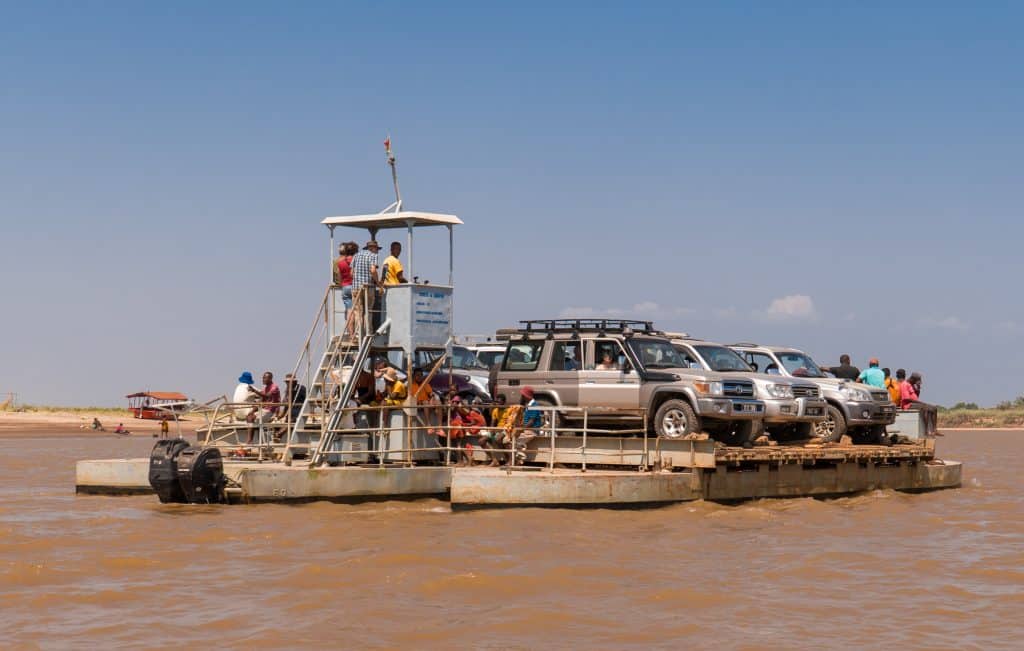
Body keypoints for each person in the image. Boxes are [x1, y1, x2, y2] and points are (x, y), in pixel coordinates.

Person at [351, 240, 381, 329]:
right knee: (368, 310)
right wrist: (378, 282)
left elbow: (351, 273)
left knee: (358, 311)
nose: (378, 251)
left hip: (356, 287)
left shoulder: (356, 255)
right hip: (368, 287)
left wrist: (358, 278)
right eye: (377, 249)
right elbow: (373, 270)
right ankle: (368, 332)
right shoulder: (373, 255)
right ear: (373, 248)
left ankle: (358, 334)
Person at [900, 372, 940, 437]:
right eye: (916, 381)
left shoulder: (911, 385)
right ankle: (926, 431)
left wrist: (918, 388)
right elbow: (906, 399)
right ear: (912, 379)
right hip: (907, 405)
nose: (917, 382)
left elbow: (916, 396)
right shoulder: (904, 384)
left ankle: (934, 430)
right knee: (925, 408)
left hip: (914, 403)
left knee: (934, 408)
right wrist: (921, 403)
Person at [448, 396, 485, 465]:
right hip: (457, 424)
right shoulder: (460, 406)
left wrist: (450, 403)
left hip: (457, 424)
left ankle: (461, 461)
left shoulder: (456, 403)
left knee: (459, 444)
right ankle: (467, 459)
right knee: (459, 445)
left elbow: (454, 408)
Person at [246, 371, 281, 442]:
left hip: (271, 411)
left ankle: (250, 440)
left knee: (252, 419)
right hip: (264, 410)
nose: (263, 379)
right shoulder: (265, 388)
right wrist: (252, 411)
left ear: (270, 379)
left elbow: (267, 396)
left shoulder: (274, 387)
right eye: (263, 378)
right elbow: (261, 400)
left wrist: (254, 390)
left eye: (265, 378)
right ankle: (252, 440)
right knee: (249, 417)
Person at [334, 241, 356, 317]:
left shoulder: (338, 262)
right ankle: (358, 328)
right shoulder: (355, 261)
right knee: (357, 310)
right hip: (355, 287)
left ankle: (350, 329)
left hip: (344, 287)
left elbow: (338, 276)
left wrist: (341, 285)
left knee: (349, 311)